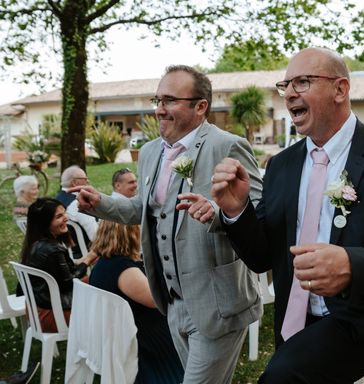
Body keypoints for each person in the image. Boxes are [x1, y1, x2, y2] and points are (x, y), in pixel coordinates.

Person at [212, 47, 364, 383]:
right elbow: (262, 257)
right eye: (286, 85)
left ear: (340, 89)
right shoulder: (281, 166)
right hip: (293, 320)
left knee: (279, 379)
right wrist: (236, 211)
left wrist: (352, 266)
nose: (290, 92)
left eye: (303, 82)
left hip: (362, 319)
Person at [73, 65, 263, 384]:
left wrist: (218, 212)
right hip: (172, 302)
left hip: (218, 304)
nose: (160, 109)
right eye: (158, 99)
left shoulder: (226, 146)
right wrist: (101, 204)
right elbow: (143, 210)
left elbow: (259, 211)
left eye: (171, 100)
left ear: (200, 106)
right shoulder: (150, 153)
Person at [89, 220, 184, 384]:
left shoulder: (105, 262)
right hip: (146, 340)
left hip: (125, 330)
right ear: (130, 234)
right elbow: (157, 300)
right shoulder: (123, 269)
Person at [20, 198, 94, 332]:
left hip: (35, 310)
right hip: (52, 315)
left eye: (64, 213)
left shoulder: (35, 244)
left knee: (96, 279)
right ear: (45, 223)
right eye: (59, 216)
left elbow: (63, 273)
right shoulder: (51, 250)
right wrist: (88, 260)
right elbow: (69, 283)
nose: (66, 218)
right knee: (102, 288)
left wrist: (86, 260)